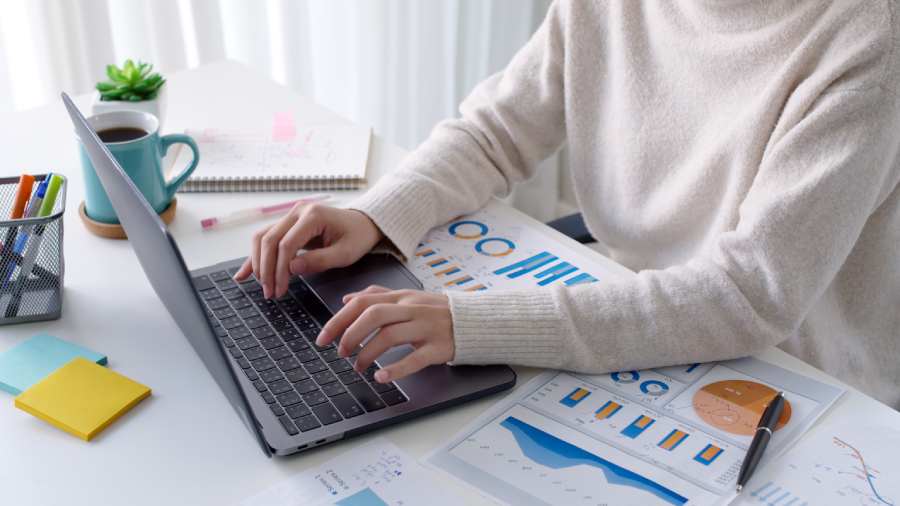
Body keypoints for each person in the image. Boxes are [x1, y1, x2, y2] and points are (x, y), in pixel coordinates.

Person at [235, 1, 900, 407]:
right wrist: (375, 216)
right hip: (639, 322)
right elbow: (498, 132)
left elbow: (749, 297)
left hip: (806, 380)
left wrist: (472, 327)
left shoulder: (868, 38)